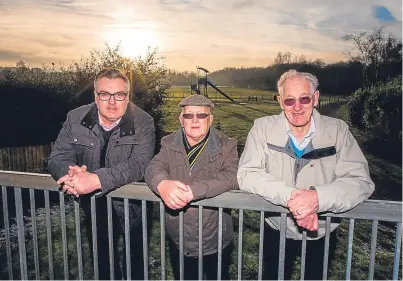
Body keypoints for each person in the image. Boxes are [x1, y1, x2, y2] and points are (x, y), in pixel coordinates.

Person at [237, 69, 375, 280]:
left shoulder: (338, 130)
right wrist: (294, 198)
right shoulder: (262, 128)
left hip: (322, 231)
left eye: (304, 98)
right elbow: (247, 173)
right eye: (290, 101)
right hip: (277, 227)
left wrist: (317, 199)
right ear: (280, 101)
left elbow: (360, 181)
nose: (297, 107)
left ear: (316, 98)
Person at [48, 68, 155, 280]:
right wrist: (71, 175)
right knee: (102, 261)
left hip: (132, 206)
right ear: (95, 96)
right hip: (93, 205)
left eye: (119, 95)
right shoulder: (75, 118)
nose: (112, 102)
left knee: (135, 261)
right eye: (105, 94)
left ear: (127, 96)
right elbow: (57, 157)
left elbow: (139, 164)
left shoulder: (144, 121)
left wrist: (96, 179)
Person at [145, 94, 239, 280]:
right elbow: (153, 167)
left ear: (210, 119)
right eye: (189, 116)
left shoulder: (227, 145)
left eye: (201, 115)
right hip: (179, 238)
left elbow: (232, 176)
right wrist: (162, 184)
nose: (195, 120)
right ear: (181, 120)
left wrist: (193, 191)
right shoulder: (168, 143)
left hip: (215, 239)